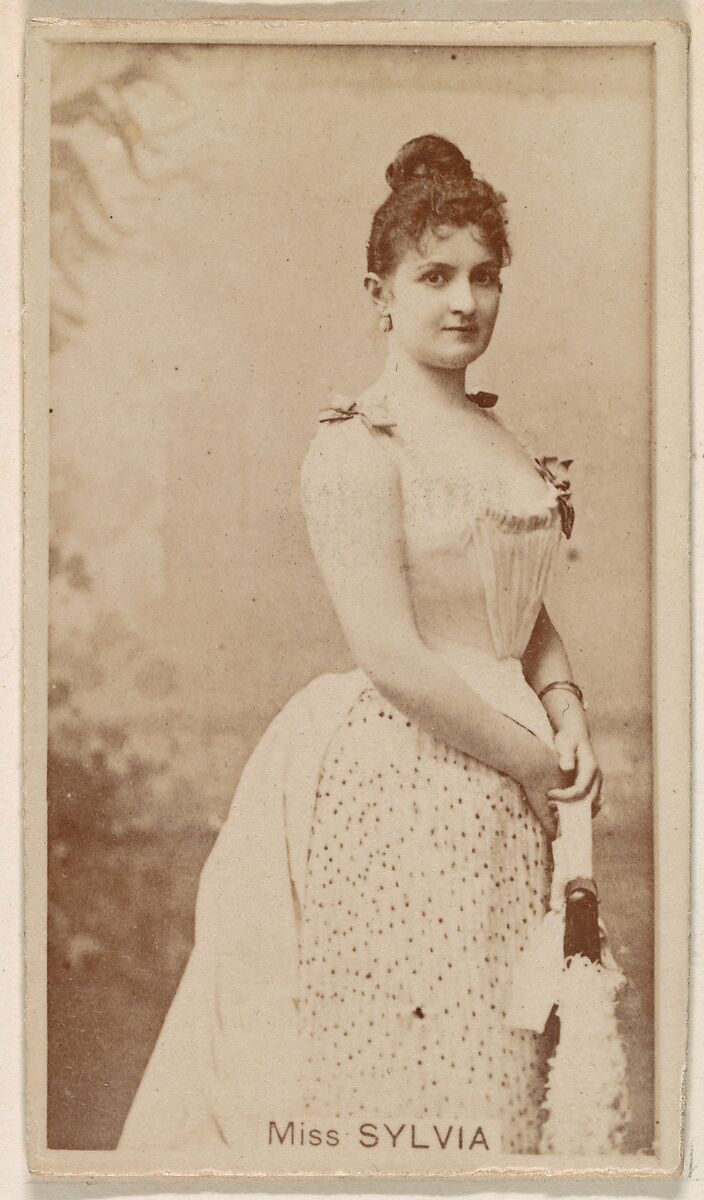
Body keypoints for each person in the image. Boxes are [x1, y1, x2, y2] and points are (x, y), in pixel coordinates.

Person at [118, 134, 603, 1158]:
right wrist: (534, 763)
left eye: (483, 276)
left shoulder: (501, 441)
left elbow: (518, 610)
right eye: (434, 276)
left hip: (513, 782)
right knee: (410, 1062)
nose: (464, 300)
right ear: (379, 293)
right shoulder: (356, 448)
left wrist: (563, 706)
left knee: (500, 1054)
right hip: (407, 779)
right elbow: (394, 657)